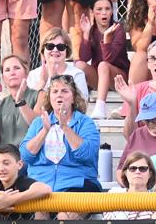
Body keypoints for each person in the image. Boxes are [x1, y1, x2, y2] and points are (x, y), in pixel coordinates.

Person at [20, 75, 100, 217]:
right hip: (42, 186)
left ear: (74, 98)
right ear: (49, 97)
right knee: (40, 213)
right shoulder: (39, 123)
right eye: (55, 91)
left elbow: (87, 154)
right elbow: (25, 157)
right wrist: (44, 131)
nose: (59, 95)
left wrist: (65, 127)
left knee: (64, 217)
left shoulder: (85, 122)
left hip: (78, 185)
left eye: (65, 91)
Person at [76, 0, 129, 118]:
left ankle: (100, 108)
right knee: (79, 65)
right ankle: (79, 105)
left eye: (107, 9)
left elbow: (110, 59)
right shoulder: (92, 30)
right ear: (92, 12)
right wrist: (86, 33)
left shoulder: (118, 29)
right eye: (99, 10)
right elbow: (84, 57)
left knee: (103, 65)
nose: (104, 13)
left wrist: (106, 39)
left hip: (119, 78)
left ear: (112, 12)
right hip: (100, 78)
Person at [0, 54, 37, 148]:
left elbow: (39, 127)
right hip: (4, 157)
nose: (12, 73)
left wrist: (20, 101)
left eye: (17, 68)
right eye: (7, 70)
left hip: (30, 154)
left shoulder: (38, 96)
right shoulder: (0, 104)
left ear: (26, 73)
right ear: (3, 78)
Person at [26, 28, 89, 99]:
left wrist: (53, 81)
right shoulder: (33, 75)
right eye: (50, 46)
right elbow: (29, 105)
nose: (55, 50)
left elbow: (82, 105)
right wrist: (42, 83)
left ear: (67, 51)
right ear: (43, 49)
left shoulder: (77, 74)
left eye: (60, 47)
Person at [104, 151, 156, 220]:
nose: (137, 172)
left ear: (150, 173)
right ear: (125, 172)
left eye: (143, 169)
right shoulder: (114, 195)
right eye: (132, 168)